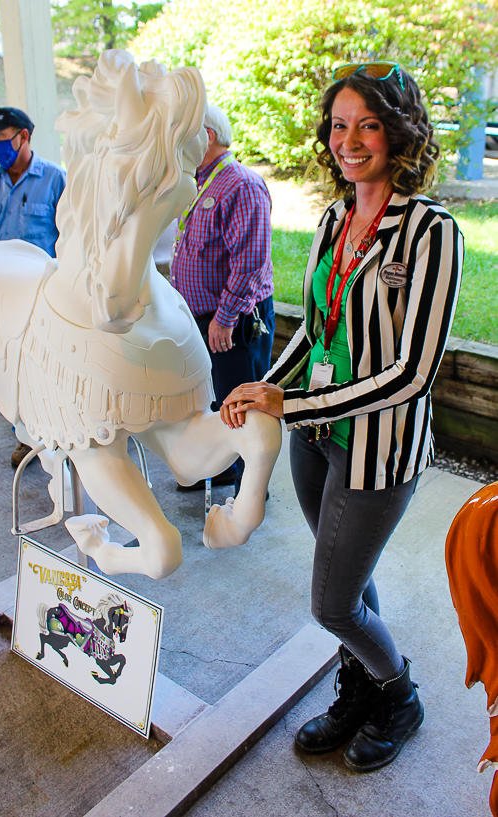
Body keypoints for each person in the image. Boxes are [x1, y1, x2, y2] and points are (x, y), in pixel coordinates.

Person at [221, 62, 463, 771]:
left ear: (399, 132)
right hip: (315, 441)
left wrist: (292, 401)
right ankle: (359, 685)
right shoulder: (333, 217)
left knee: (331, 603)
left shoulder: (430, 232)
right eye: (339, 124)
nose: (349, 140)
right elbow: (315, 328)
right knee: (350, 584)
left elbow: (413, 373)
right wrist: (265, 385)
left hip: (378, 450)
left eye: (368, 124)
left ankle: (399, 693)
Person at [170, 104, 274, 491]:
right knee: (214, 401)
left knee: (241, 403)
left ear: (207, 137)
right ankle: (221, 468)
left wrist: (225, 318)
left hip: (232, 318)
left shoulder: (240, 184)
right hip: (201, 317)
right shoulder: (199, 182)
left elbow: (250, 262)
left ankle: (251, 487)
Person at [0, 106, 66, 465]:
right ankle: (25, 437)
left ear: (24, 136)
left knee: (49, 367)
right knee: (10, 371)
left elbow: (72, 238)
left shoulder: (56, 179)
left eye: (1, 136)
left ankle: (58, 433)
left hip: (44, 295)